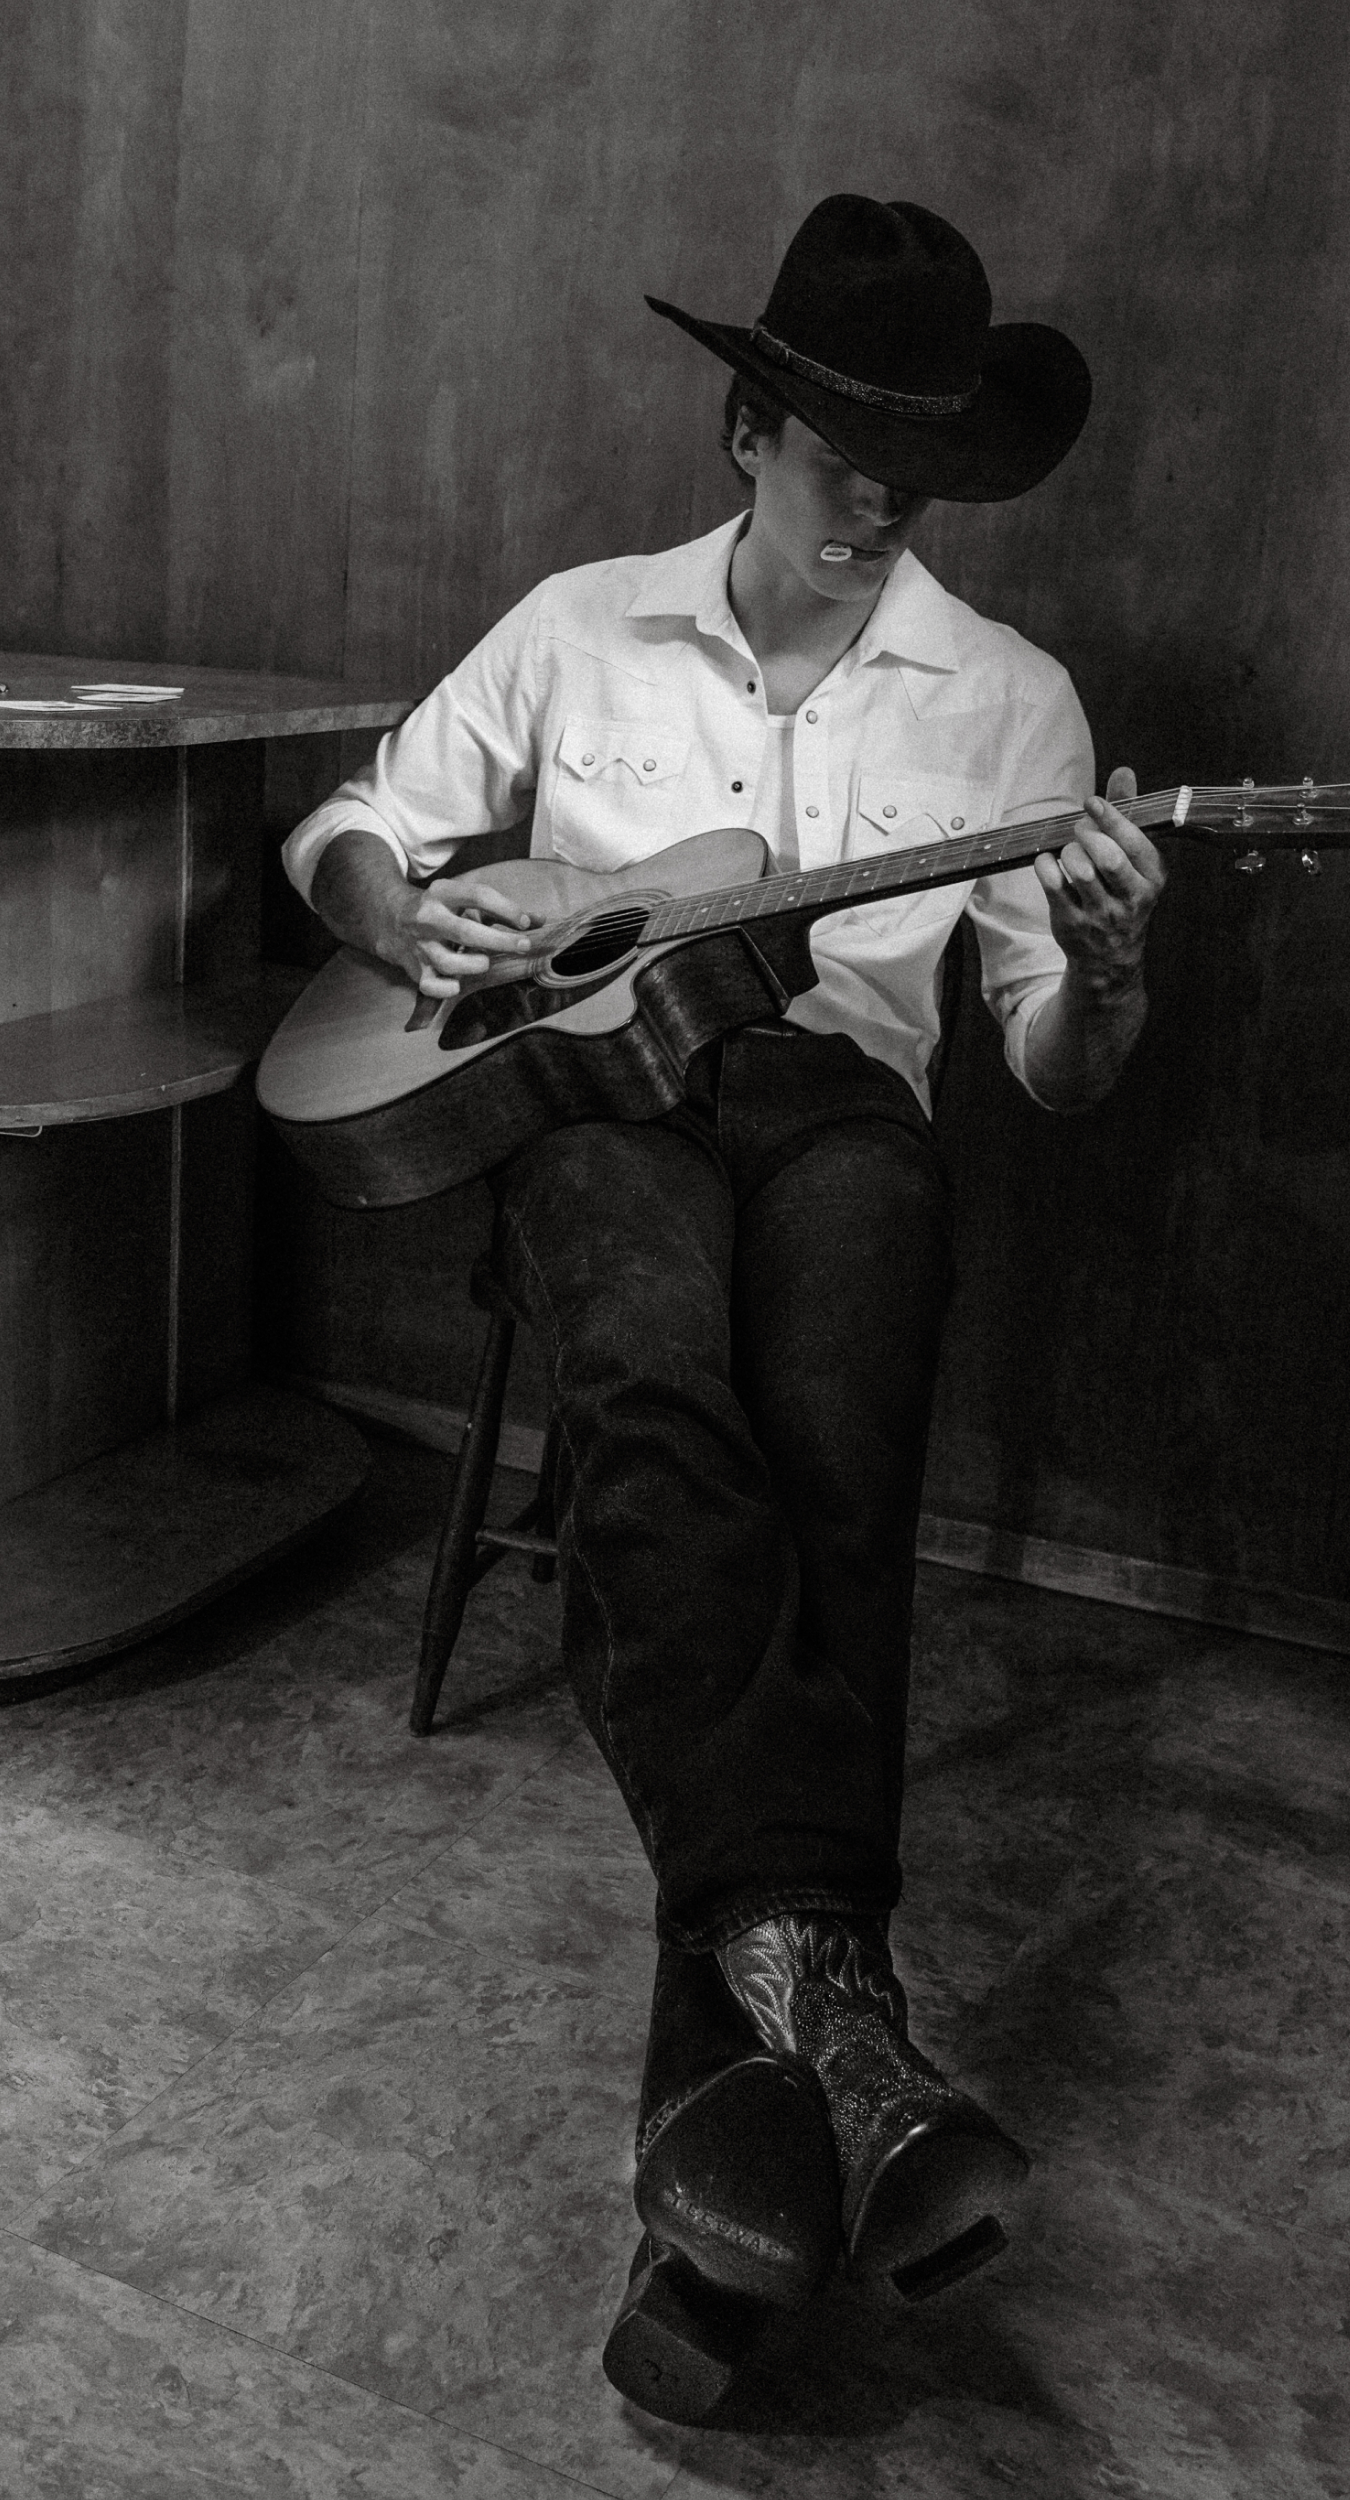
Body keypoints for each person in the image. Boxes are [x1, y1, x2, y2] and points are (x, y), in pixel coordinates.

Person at [280, 194, 1165, 2421]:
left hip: (838, 1105)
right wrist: (428, 933)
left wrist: (1117, 958)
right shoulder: (581, 625)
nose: (888, 491)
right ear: (748, 418)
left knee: (837, 1456)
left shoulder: (1015, 703)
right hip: (583, 1109)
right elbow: (363, 823)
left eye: (927, 452)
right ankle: (821, 2054)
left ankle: (758, 2075)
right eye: (852, 437)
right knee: (661, 1403)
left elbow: (1050, 1060)